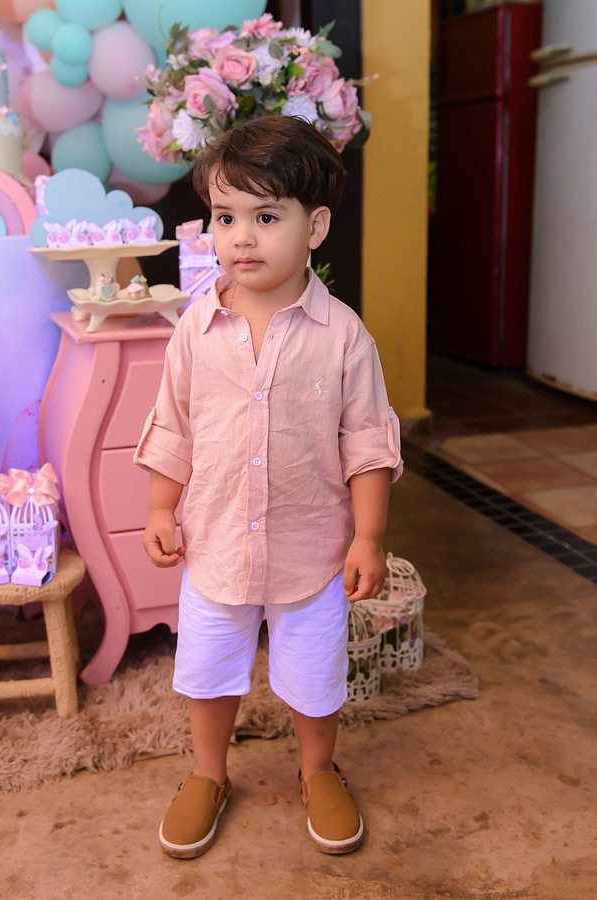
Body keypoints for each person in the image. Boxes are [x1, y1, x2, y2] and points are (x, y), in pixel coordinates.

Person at [134, 115, 403, 860]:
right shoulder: (195, 329)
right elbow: (173, 426)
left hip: (311, 551)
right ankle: (207, 773)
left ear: (315, 227)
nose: (241, 237)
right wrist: (159, 506)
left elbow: (367, 444)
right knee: (208, 672)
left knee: (314, 676)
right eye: (225, 218)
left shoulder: (343, 337)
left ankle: (318, 769)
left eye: (265, 217)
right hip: (216, 543)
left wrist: (368, 536)